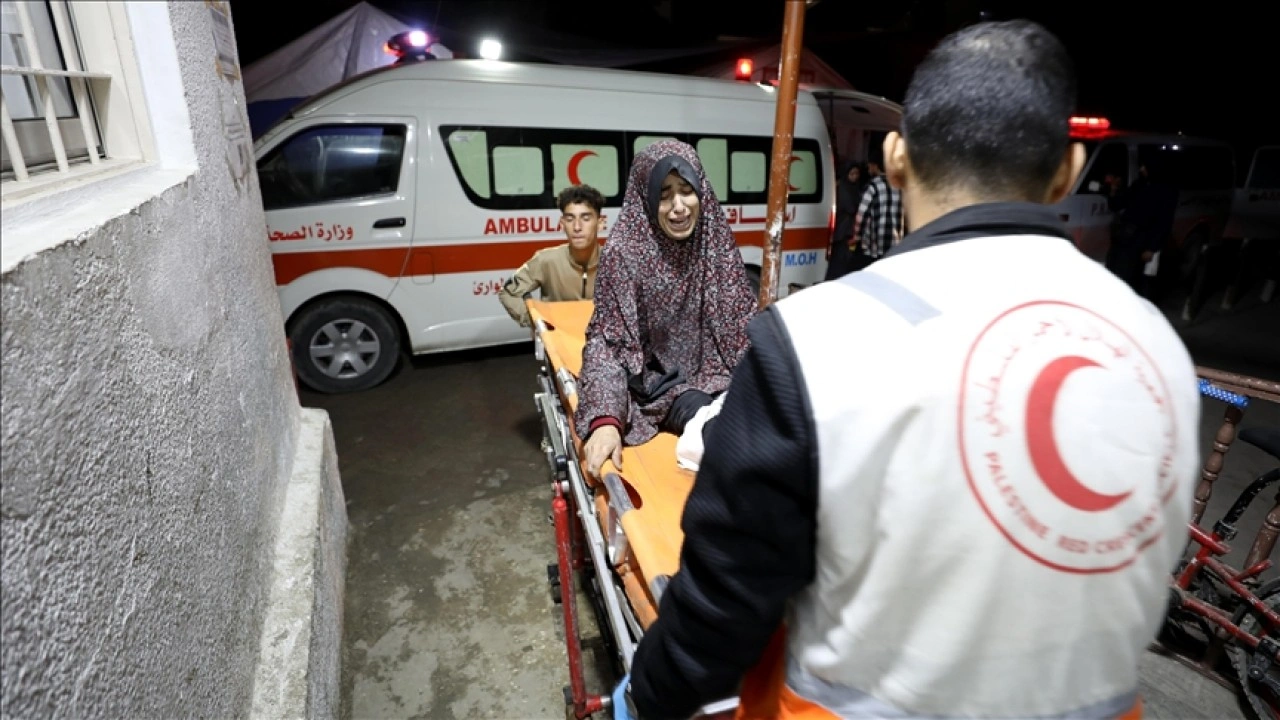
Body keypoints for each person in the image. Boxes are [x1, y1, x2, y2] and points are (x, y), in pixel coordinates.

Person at [613, 19, 1201, 720]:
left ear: (895, 158)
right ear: (1071, 170)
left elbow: (719, 614)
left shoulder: (813, 341)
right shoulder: (1158, 350)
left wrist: (642, 698)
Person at [575, 140, 756, 479]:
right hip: (664, 388)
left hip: (723, 376)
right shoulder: (626, 252)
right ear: (646, 198)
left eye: (686, 190)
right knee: (728, 438)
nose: (679, 207)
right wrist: (605, 420)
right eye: (664, 194)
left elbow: (742, 321)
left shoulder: (712, 238)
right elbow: (607, 343)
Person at [497, 184, 604, 328]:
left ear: (600, 223)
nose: (577, 227)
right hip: (558, 348)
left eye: (585, 218)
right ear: (562, 224)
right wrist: (538, 323)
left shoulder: (616, 263)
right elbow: (508, 293)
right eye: (570, 219)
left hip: (604, 347)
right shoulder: (546, 261)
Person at [846, 154, 903, 271]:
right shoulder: (899, 185)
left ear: (875, 166)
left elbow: (862, 214)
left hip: (875, 243)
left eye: (869, 166)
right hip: (895, 242)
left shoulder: (873, 186)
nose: (868, 168)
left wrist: (857, 235)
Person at [823, 160, 869, 281]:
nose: (854, 177)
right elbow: (851, 207)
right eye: (852, 174)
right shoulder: (843, 188)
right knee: (840, 260)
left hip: (848, 231)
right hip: (842, 231)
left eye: (856, 174)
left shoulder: (854, 188)